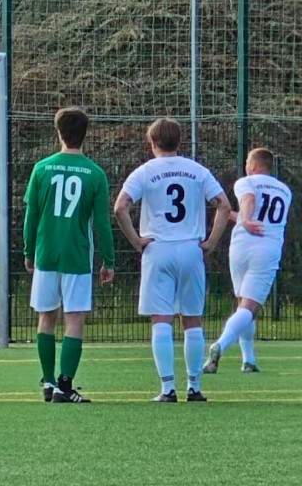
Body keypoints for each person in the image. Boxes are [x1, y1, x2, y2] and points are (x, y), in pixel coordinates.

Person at [113, 118, 231, 403]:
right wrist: (211, 242)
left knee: (161, 319)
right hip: (191, 249)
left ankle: (167, 389)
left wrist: (137, 240)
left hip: (158, 249)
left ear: (152, 143)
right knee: (192, 318)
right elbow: (224, 205)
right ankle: (194, 387)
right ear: (179, 142)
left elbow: (120, 207)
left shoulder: (145, 171)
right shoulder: (196, 170)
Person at [23, 107, 116, 404]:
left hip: (46, 254)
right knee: (74, 319)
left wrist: (28, 251)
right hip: (77, 256)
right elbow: (102, 222)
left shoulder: (41, 168)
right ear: (85, 134)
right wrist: (109, 260)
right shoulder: (95, 173)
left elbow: (31, 216)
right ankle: (65, 386)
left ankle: (49, 382)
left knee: (46, 317)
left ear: (58, 132)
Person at [203, 147, 290, 375]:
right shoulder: (284, 190)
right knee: (249, 307)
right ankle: (220, 345)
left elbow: (249, 200)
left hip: (241, 247)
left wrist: (247, 219)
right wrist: (245, 218)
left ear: (252, 165)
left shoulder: (245, 182)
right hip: (267, 248)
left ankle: (248, 359)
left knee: (243, 303)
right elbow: (255, 212)